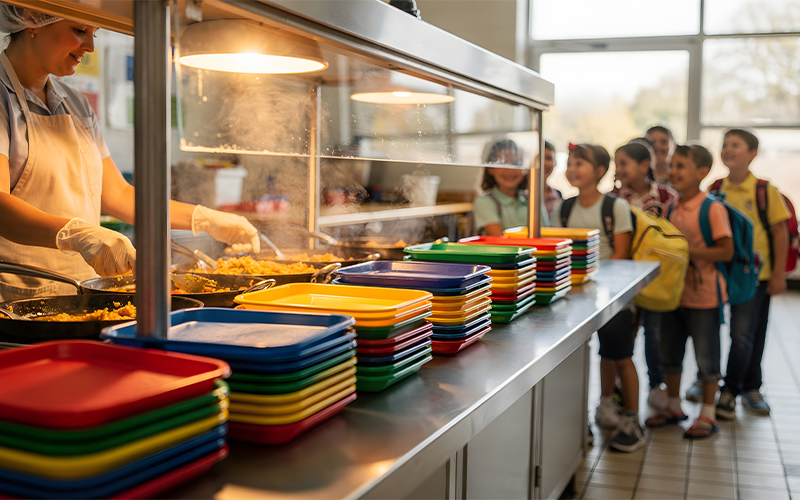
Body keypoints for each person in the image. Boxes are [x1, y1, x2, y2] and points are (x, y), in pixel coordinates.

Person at [0, 5, 260, 301]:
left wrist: (205, 219)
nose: (91, 46)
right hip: (17, 299)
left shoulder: (75, 103)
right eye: (79, 30)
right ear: (32, 17)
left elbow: (117, 194)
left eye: (95, 33)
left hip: (82, 292)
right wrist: (76, 234)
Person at [551, 143, 643, 453]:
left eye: (580, 163)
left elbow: (621, 253)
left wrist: (587, 276)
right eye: (570, 163)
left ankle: (632, 419)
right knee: (580, 355)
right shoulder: (563, 208)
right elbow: (557, 250)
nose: (572, 169)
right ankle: (595, 409)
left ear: (600, 171)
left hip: (612, 297)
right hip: (574, 296)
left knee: (618, 355)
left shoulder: (615, 207)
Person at [646, 144, 732, 439]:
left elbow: (726, 250)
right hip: (674, 294)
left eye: (681, 166)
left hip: (705, 297)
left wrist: (685, 252)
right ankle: (673, 406)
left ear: (702, 172)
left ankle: (708, 413)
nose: (673, 172)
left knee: (707, 357)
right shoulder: (672, 206)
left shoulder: (712, 208)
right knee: (670, 353)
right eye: (672, 166)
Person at [711, 129, 790, 419]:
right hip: (722, 272)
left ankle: (735, 390)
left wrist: (779, 274)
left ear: (752, 153)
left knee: (747, 334)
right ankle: (726, 383)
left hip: (757, 275)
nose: (728, 149)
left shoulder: (764, 191)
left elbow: (780, 233)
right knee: (722, 331)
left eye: (736, 145)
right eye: (725, 144)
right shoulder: (715, 187)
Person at [612, 140, 678, 411]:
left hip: (657, 278)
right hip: (624, 279)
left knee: (655, 332)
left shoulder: (666, 196)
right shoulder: (613, 199)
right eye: (616, 163)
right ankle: (618, 388)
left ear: (644, 165)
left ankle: (656, 385)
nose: (618, 169)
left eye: (624, 163)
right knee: (623, 334)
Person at [473, 139, 548, 235]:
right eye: (502, 163)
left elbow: (545, 232)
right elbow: (500, 239)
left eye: (516, 163)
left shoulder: (533, 200)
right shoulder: (484, 202)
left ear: (524, 168)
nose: (509, 169)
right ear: (490, 168)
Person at [542, 141, 562, 218]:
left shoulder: (558, 195)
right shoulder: (519, 195)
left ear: (555, 163)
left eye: (548, 158)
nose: (544, 163)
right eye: (539, 157)